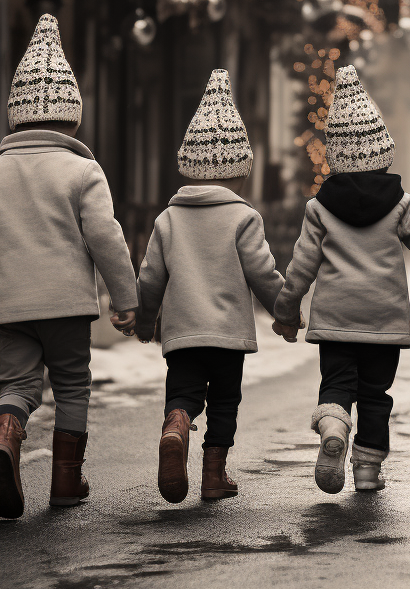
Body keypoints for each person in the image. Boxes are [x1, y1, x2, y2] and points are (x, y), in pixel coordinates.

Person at [0, 14, 138, 519]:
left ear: (15, 119)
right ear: (72, 121)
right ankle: (66, 483)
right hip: (68, 305)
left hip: (8, 307)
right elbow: (105, 237)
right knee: (72, 385)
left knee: (18, 386)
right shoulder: (82, 170)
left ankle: (5, 436)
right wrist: (127, 297)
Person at [115, 70, 287, 504]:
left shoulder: (168, 219)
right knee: (225, 401)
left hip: (183, 333)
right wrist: (284, 312)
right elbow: (262, 273)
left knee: (185, 390)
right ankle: (214, 475)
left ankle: (176, 423)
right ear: (239, 173)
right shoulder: (244, 218)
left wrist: (145, 319)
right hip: (228, 335)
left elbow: (151, 274)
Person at [273, 66, 410, 493]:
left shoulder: (320, 208)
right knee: (374, 395)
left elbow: (301, 266)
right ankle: (367, 472)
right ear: (383, 152)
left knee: (337, 384)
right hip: (384, 321)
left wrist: (287, 310)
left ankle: (333, 426)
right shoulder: (401, 204)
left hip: (335, 317)